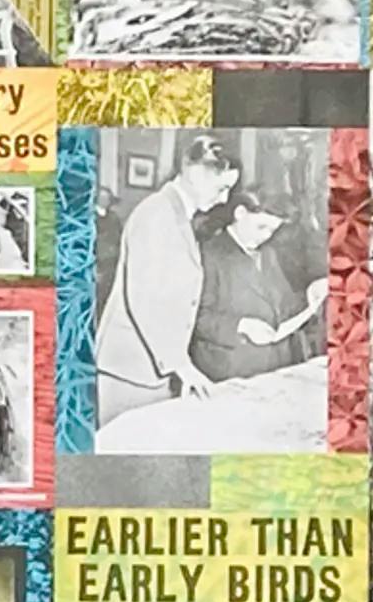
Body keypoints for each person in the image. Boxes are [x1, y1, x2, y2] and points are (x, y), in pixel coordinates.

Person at [94, 132, 239, 419]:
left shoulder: (176, 214)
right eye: (222, 187)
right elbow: (144, 298)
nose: (224, 199)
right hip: (131, 371)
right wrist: (180, 365)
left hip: (149, 368)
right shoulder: (158, 214)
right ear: (196, 174)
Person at [193, 190, 324, 382]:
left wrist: (310, 295)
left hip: (274, 367)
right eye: (261, 226)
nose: (266, 236)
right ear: (240, 213)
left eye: (272, 230)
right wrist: (241, 325)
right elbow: (195, 317)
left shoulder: (268, 254)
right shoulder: (208, 254)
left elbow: (283, 306)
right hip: (229, 371)